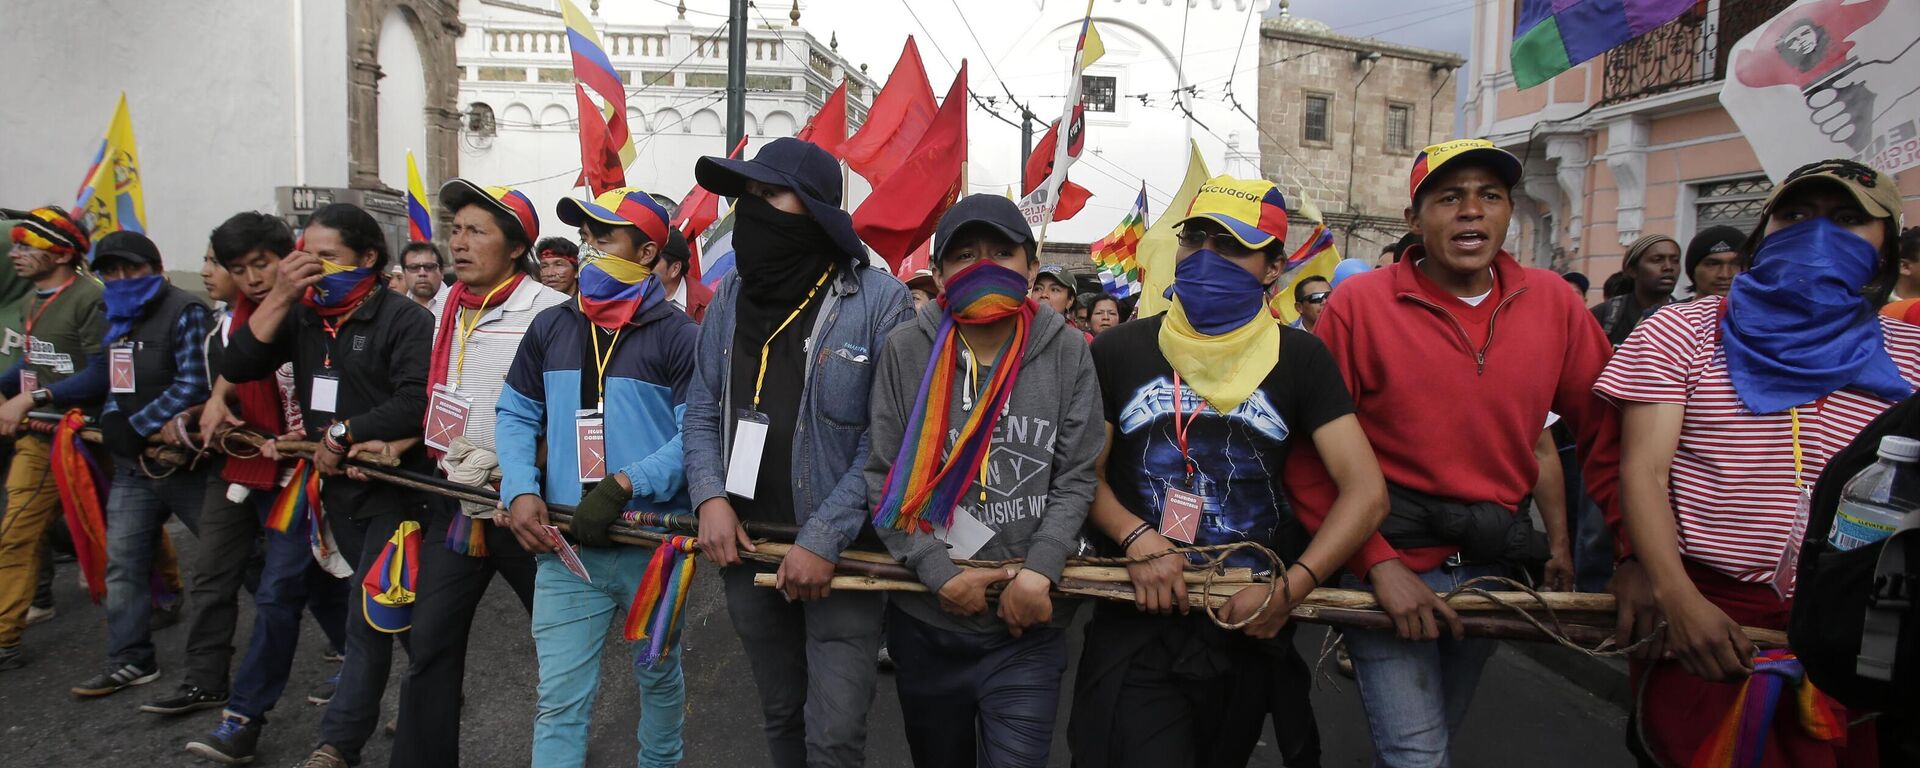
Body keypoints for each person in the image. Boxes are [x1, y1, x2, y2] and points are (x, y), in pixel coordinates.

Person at [1284, 139, 1625, 767]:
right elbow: (1311, 456)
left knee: (1437, 732)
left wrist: (1625, 557)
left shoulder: (1555, 303)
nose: (1471, 211)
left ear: (1508, 212)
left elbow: (1607, 438)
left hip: (1495, 568)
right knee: (1417, 754)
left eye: (1489, 196)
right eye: (1449, 198)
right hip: (1392, 561)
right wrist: (1377, 564)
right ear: (1415, 220)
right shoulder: (1359, 305)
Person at [1070, 176, 1388, 767]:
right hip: (1138, 619)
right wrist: (1136, 538)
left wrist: (1289, 591)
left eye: (1233, 246)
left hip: (1246, 625)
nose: (1207, 258)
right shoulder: (1119, 351)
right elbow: (1081, 475)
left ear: (1273, 268)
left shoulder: (1301, 359)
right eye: (1197, 240)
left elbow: (1366, 493)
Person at [1597, 159, 1904, 767]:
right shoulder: (1684, 331)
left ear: (1885, 243)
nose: (1818, 237)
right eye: (1795, 216)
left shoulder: (1910, 353)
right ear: (1764, 235)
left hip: (1859, 634)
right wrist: (1679, 600)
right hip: (1711, 616)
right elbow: (1644, 472)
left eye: (1847, 221)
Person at [682, 137, 911, 768]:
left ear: (813, 208)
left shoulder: (880, 302)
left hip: (843, 562)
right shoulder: (730, 297)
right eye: (746, 195)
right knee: (781, 716)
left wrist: (822, 539)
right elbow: (703, 408)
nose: (752, 209)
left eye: (768, 193)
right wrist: (709, 497)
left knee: (834, 738)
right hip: (747, 546)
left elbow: (886, 441)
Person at [865, 194, 1100, 767]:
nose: (984, 265)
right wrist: (939, 574)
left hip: (1027, 625)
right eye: (964, 254)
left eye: (1002, 251)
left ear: (1030, 265)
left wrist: (1040, 571)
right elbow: (883, 477)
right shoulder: (904, 349)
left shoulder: (1067, 349)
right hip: (927, 622)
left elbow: (1075, 477)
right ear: (940, 273)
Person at [222, 202, 434, 768]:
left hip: (397, 490)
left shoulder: (404, 318)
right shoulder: (302, 314)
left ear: (366, 257)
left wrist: (345, 432)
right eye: (304, 255)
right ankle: (435, 687)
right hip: (333, 489)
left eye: (326, 257)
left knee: (367, 617)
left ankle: (337, 746)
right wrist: (280, 297)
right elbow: (239, 363)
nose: (311, 268)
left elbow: (417, 400)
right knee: (406, 619)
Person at [497, 185, 695, 768]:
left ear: (645, 253)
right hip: (565, 548)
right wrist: (520, 488)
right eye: (585, 237)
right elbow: (514, 412)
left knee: (657, 675)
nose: (586, 251)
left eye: (602, 238)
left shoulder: (680, 335)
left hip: (652, 545)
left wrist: (625, 484)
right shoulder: (551, 327)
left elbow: (699, 437)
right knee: (558, 698)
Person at [388, 180, 568, 767]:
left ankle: (562, 750)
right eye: (455, 230)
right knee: (430, 643)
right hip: (453, 503)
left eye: (477, 232)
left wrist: (523, 476)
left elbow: (565, 413)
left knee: (563, 646)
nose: (459, 244)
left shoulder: (549, 313)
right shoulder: (445, 305)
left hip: (522, 508)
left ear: (517, 248)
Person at [177, 212, 350, 762]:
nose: (253, 277)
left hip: (306, 475)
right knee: (289, 580)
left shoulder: (318, 313)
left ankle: (243, 717)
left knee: (278, 593)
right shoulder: (239, 319)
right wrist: (212, 404)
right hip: (247, 473)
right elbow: (237, 365)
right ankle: (370, 658)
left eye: (262, 264)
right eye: (238, 268)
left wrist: (310, 435)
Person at [70, 231, 214, 697]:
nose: (121, 278)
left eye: (130, 268)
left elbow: (195, 383)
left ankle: (324, 635)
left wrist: (140, 424)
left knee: (232, 560)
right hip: (134, 466)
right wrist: (114, 419)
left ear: (154, 267)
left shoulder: (184, 311)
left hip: (184, 464)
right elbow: (116, 384)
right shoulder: (117, 316)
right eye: (110, 271)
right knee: (124, 563)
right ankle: (130, 658)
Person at [0, 207, 106, 671]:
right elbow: (31, 364)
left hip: (92, 437)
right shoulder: (30, 302)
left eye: (26, 246)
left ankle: (166, 592)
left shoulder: (93, 298)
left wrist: (33, 397)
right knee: (16, 530)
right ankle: (4, 637)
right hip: (40, 438)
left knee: (119, 530)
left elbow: (102, 374)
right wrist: (9, 391)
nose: (15, 253)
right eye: (16, 245)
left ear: (60, 253)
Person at [1592, 234, 1680, 346]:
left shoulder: (1689, 319)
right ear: (1632, 270)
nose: (1668, 267)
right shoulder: (1604, 315)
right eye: (1657, 260)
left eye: (1675, 261)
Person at [1684, 226, 1744, 300]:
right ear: (1693, 270)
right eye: (1713, 264)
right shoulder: (1671, 311)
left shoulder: (1761, 310)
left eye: (1736, 264)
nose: (1725, 275)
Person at [400, 241, 446, 308]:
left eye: (429, 267)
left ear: (441, 271)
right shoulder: (396, 308)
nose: (422, 273)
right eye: (414, 267)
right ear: (404, 273)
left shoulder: (459, 306)